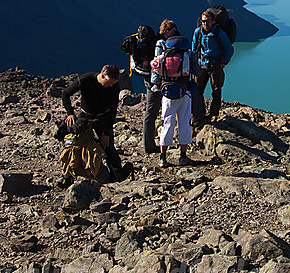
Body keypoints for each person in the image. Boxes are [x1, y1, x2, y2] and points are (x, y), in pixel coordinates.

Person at [58, 65, 128, 184]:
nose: (111, 86)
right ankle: (68, 175)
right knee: (75, 143)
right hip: (85, 115)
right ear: (102, 76)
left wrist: (106, 132)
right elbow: (65, 93)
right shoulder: (86, 79)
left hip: (103, 117)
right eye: (108, 83)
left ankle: (117, 174)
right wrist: (70, 113)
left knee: (107, 146)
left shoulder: (114, 86)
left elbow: (113, 110)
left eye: (113, 83)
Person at [150, 28, 194, 168]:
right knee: (184, 123)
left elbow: (154, 68)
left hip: (167, 93)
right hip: (184, 93)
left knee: (166, 123)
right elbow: (197, 71)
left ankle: (163, 157)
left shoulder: (163, 56)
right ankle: (182, 157)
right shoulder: (188, 55)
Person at [192, 9, 233, 127]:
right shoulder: (197, 33)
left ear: (213, 21)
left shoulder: (219, 33)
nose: (205, 24)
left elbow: (229, 49)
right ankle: (200, 114)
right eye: (203, 21)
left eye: (208, 21)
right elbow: (194, 48)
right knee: (198, 90)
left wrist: (224, 62)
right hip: (202, 65)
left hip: (215, 66)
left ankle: (213, 115)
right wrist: (194, 63)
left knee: (216, 90)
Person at [123, 24, 161, 154]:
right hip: (161, 80)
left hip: (146, 78)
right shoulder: (157, 42)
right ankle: (151, 145)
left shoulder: (137, 43)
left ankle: (148, 143)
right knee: (156, 111)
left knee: (150, 112)